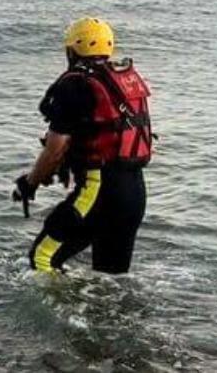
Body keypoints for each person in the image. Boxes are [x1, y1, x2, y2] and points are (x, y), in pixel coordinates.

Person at [12, 17, 154, 275]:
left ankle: (54, 316)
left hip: (98, 193)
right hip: (135, 195)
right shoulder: (121, 81)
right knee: (110, 281)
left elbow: (56, 148)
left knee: (42, 260)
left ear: (72, 50)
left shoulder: (75, 84)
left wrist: (30, 183)